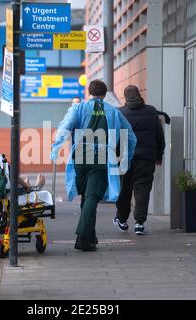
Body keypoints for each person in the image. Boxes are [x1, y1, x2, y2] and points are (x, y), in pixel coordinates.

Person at [51, 80, 136, 251]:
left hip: (81, 157)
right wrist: (126, 159)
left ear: (89, 92)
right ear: (105, 95)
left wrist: (55, 150)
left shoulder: (78, 108)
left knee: (87, 197)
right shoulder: (113, 112)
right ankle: (82, 237)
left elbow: (64, 129)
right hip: (101, 158)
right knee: (91, 198)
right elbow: (131, 137)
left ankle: (90, 237)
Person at [113, 85, 165, 235]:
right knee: (143, 189)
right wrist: (158, 155)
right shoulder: (151, 112)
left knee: (124, 190)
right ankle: (139, 223)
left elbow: (115, 138)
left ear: (125, 97)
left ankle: (122, 220)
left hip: (124, 159)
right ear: (139, 94)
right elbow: (159, 136)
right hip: (146, 159)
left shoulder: (120, 113)